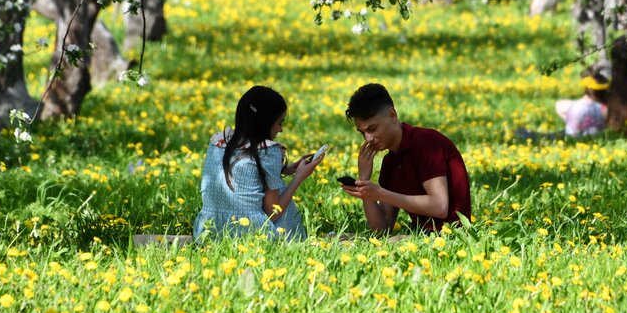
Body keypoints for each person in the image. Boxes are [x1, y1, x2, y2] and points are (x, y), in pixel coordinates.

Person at [194, 85, 323, 240]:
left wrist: (284, 169)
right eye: (279, 123)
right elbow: (273, 213)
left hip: (209, 231)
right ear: (265, 122)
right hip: (250, 234)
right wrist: (299, 178)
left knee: (274, 183)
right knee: (280, 190)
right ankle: (296, 242)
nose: (280, 130)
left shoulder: (219, 142)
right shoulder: (269, 151)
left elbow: (244, 172)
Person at [339, 83, 471, 233]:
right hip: (420, 235)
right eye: (362, 133)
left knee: (380, 244)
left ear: (392, 115)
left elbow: (439, 206)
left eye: (372, 129)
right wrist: (364, 183)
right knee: (346, 240)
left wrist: (381, 194)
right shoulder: (390, 161)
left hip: (452, 234)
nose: (368, 139)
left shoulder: (426, 143)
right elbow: (382, 228)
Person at [554, 69, 609, 137]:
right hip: (594, 142)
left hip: (570, 142)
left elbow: (558, 105)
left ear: (586, 89)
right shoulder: (605, 109)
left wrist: (569, 120)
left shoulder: (572, 105)